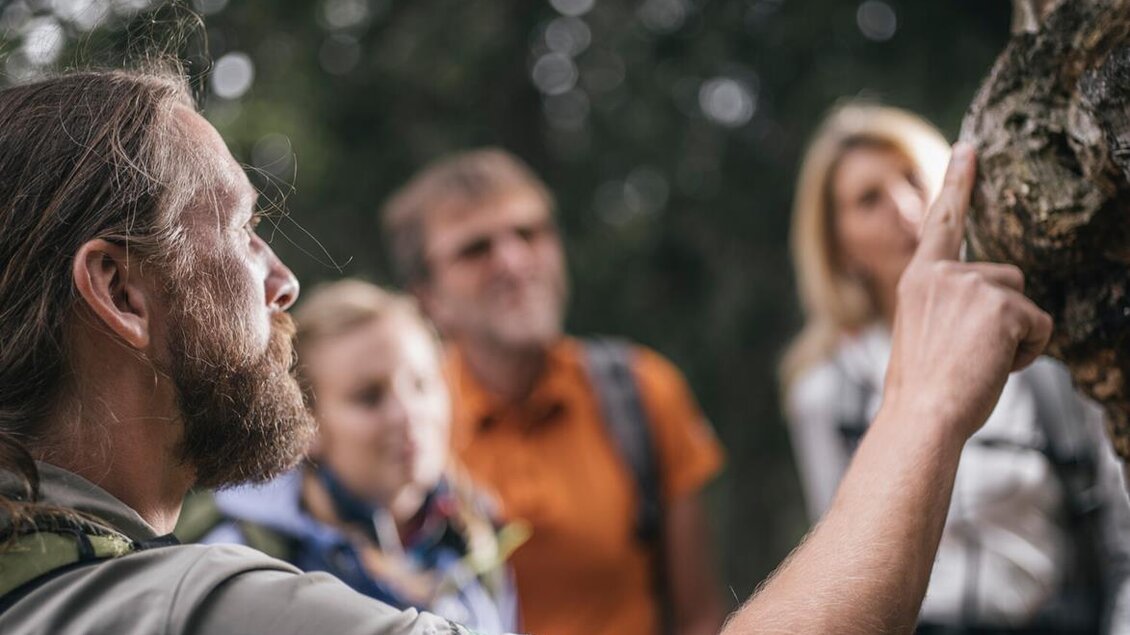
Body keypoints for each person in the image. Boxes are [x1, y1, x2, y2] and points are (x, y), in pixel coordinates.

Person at [0, 66, 1059, 635]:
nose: (283, 278)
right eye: (235, 229)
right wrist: (920, 404)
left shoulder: (634, 392)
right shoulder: (206, 605)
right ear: (121, 291)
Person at [781, 102, 1130, 633]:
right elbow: (838, 573)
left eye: (914, 178)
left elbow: (1121, 530)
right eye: (868, 199)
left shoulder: (1041, 346)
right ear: (839, 244)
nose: (903, 207)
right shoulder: (827, 394)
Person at [380, 149, 727, 635]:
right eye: (475, 249)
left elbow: (700, 617)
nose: (514, 261)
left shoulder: (644, 391)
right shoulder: (405, 424)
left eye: (530, 233)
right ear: (428, 297)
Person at [188, 279, 520, 633]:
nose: (407, 413)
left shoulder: (474, 540)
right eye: (369, 397)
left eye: (422, 384)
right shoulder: (241, 559)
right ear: (306, 422)